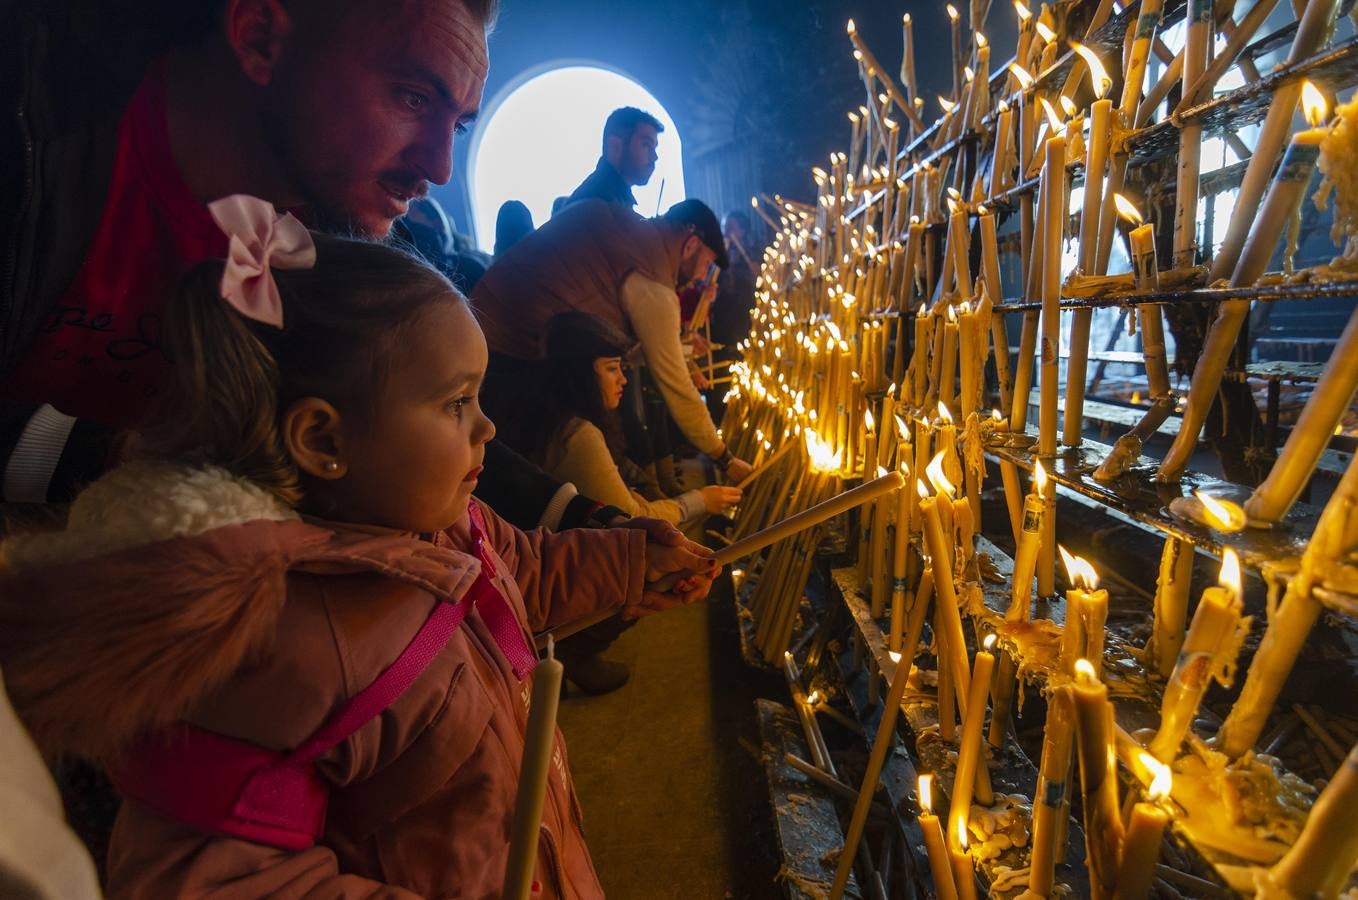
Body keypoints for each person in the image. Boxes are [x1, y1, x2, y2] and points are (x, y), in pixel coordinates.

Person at [0, 199, 719, 897]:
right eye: (456, 402)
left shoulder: (445, 520)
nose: (488, 429)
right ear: (323, 440)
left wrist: (627, 561)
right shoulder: (269, 641)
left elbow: (521, 571)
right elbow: (217, 879)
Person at [0, 0, 612, 535]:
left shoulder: (332, 230)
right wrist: (155, 465)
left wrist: (576, 519)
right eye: (412, 96)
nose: (439, 166)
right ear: (261, 37)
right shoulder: (31, 123)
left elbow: (412, 408)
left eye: (456, 123)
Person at [475, 198, 755, 484]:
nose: (700, 278)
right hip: (509, 357)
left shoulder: (625, 224)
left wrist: (679, 344)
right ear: (690, 245)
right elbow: (676, 386)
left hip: (482, 328)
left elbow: (624, 340)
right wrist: (724, 457)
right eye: (706, 264)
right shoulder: (653, 278)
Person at [565, 107, 662, 209]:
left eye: (654, 148)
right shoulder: (599, 202)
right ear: (615, 147)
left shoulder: (610, 198)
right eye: (646, 145)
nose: (655, 157)